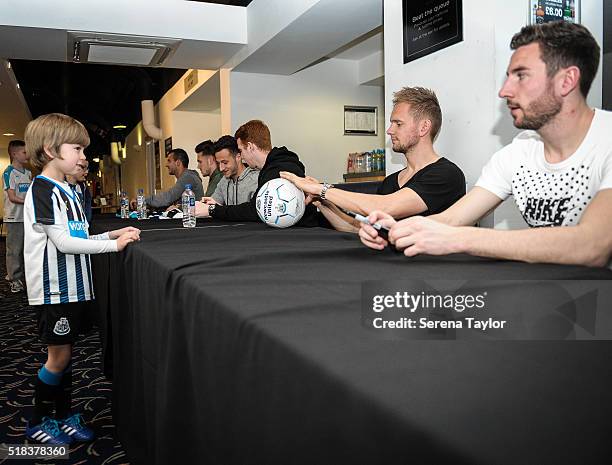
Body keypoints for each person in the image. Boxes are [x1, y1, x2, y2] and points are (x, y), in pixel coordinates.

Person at [360, 21, 612, 267]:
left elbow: (593, 246)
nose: (504, 91)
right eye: (508, 77)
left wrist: (461, 239)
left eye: (521, 76)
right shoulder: (516, 154)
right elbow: (450, 220)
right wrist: (398, 229)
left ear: (567, 81)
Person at [23, 113, 140, 444]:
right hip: (54, 291)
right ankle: (39, 421)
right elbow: (61, 242)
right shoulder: (43, 189)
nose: (83, 157)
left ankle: (62, 415)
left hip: (73, 287)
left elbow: (80, 234)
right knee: (57, 358)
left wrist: (113, 234)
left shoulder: (66, 189)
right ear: (50, 149)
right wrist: (114, 246)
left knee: (65, 355)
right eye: (77, 148)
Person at [280, 87, 465, 232]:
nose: (389, 130)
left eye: (398, 124)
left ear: (424, 127)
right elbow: (354, 227)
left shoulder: (446, 175)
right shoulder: (392, 182)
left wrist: (321, 188)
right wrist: (323, 202)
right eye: (391, 123)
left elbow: (387, 206)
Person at [195, 120, 318, 226]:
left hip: (301, 234)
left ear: (250, 146)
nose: (241, 157)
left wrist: (213, 210)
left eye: (241, 150)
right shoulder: (272, 168)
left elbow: (254, 210)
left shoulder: (277, 171)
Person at [2, 140, 31, 293]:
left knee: (27, 249)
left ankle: (25, 277)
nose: (27, 154)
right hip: (14, 218)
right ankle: (14, 279)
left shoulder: (28, 173)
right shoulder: (8, 172)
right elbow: (12, 197)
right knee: (14, 250)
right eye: (24, 152)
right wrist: (29, 202)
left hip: (27, 218)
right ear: (14, 154)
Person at [132, 148, 204, 209]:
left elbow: (168, 197)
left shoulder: (188, 177)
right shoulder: (186, 177)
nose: (166, 165)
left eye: (169, 161)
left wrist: (141, 199)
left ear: (178, 163)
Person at [203, 135, 259, 206]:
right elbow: (212, 205)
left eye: (225, 163)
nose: (221, 168)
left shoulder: (255, 180)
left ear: (238, 157)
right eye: (218, 163)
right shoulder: (224, 181)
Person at [66, 156, 93, 223]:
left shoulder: (83, 187)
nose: (86, 172)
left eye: (87, 169)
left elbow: (87, 210)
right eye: (83, 168)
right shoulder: (59, 186)